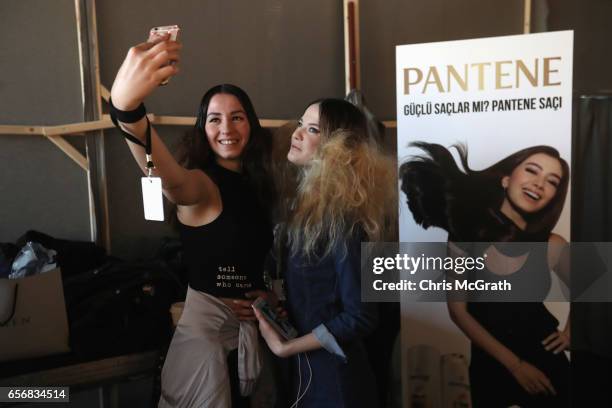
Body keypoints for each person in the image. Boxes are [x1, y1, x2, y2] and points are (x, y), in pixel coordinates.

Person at [109, 35, 276, 407]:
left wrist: (266, 294)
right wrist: (127, 111)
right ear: (202, 128)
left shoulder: (256, 185)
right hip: (206, 352)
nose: (227, 129)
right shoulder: (201, 184)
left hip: (250, 343)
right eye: (215, 119)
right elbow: (171, 180)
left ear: (251, 124)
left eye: (237, 117)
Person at [399, 143, 571, 408]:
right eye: (532, 171)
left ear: (554, 196)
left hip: (546, 367)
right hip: (490, 366)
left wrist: (571, 332)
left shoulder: (552, 245)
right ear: (506, 178)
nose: (539, 184)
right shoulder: (463, 238)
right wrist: (516, 366)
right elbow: (459, 312)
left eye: (551, 182)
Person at [253, 98, 396, 407]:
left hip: (336, 383)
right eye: (301, 123)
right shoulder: (307, 210)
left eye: (313, 129)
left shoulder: (343, 219)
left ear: (338, 147)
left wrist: (287, 348)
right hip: (308, 373)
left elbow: (359, 316)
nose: (298, 133)